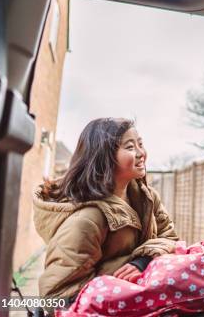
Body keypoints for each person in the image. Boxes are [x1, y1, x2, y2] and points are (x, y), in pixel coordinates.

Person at [33, 118, 178, 305]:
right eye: (130, 147)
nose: (141, 153)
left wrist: (144, 261)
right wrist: (125, 280)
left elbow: (171, 238)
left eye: (140, 144)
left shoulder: (147, 197)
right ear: (104, 156)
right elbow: (56, 296)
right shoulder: (86, 220)